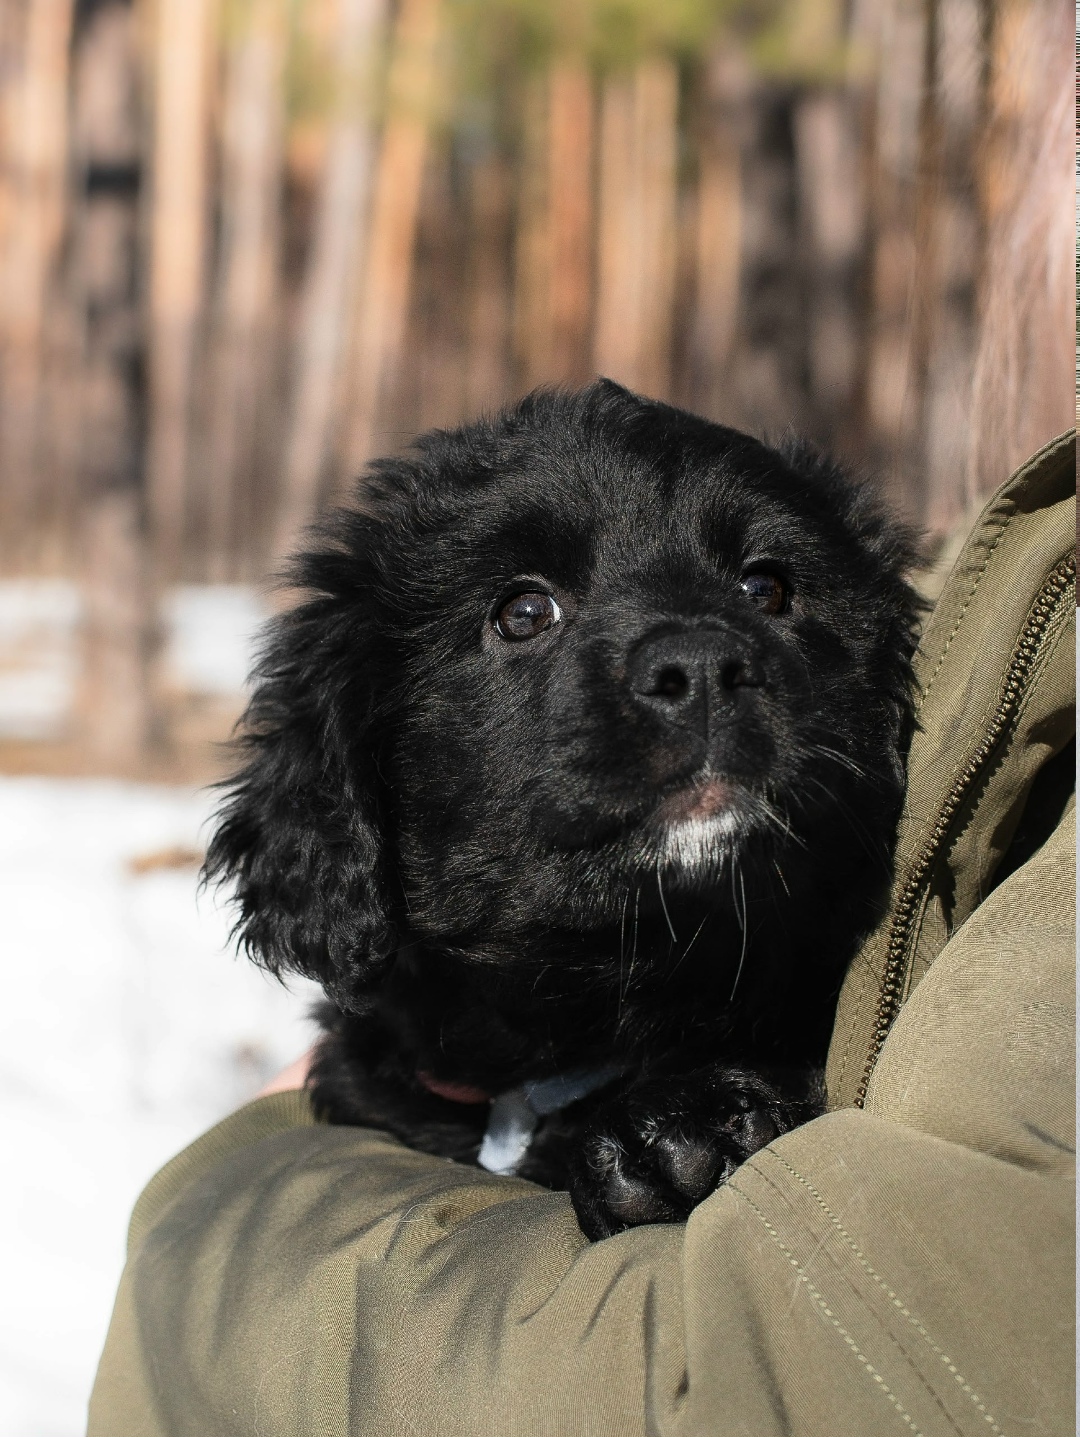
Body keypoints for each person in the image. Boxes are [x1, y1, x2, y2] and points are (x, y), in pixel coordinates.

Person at [87, 428, 1074, 1436]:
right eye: (525, 616)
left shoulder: (877, 1056)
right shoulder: (373, 1090)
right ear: (364, 746)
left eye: (766, 591)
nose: (699, 652)